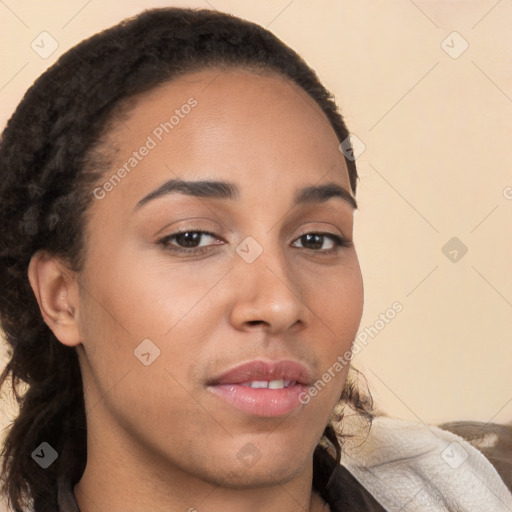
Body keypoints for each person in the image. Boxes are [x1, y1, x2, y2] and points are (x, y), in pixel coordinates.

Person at [0, 7, 510, 512]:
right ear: (61, 297)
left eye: (316, 239)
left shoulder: (454, 491)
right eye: (192, 237)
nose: (281, 302)